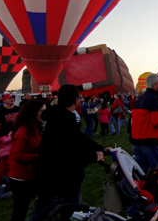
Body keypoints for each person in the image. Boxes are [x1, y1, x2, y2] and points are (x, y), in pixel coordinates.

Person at [31, 84, 106, 221]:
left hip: (66, 179)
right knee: (44, 216)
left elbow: (79, 139)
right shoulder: (62, 120)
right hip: (56, 181)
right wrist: (95, 156)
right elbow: (68, 154)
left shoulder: (60, 117)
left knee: (74, 214)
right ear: (77, 100)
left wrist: (100, 148)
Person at [7, 99, 46, 221]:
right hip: (20, 177)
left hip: (31, 174)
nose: (45, 114)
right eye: (42, 111)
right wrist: (39, 158)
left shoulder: (36, 127)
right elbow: (17, 155)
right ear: (33, 112)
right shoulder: (23, 131)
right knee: (20, 211)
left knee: (45, 201)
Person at [130, 73, 158, 172]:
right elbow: (156, 121)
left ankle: (138, 187)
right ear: (154, 85)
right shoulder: (153, 99)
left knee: (140, 173)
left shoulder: (139, 99)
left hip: (137, 141)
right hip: (150, 141)